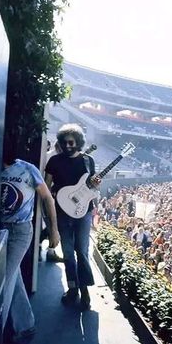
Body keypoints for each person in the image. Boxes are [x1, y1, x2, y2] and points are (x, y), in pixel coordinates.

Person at [0, 137, 60, 341]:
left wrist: (53, 230)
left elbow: (47, 198)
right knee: (12, 278)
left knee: (3, 281)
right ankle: (26, 325)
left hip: (20, 231)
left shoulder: (28, 169)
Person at [45, 124, 101, 310]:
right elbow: (46, 188)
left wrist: (96, 184)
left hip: (83, 212)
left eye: (72, 142)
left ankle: (85, 290)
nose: (68, 146)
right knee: (68, 253)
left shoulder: (88, 161)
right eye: (64, 142)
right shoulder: (54, 161)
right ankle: (72, 289)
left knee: (82, 252)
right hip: (62, 213)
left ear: (79, 142)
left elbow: (92, 188)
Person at [40, 140, 64, 262]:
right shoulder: (53, 157)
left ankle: (45, 248)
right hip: (50, 195)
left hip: (50, 194)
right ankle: (49, 251)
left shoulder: (48, 155)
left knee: (51, 224)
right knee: (52, 224)